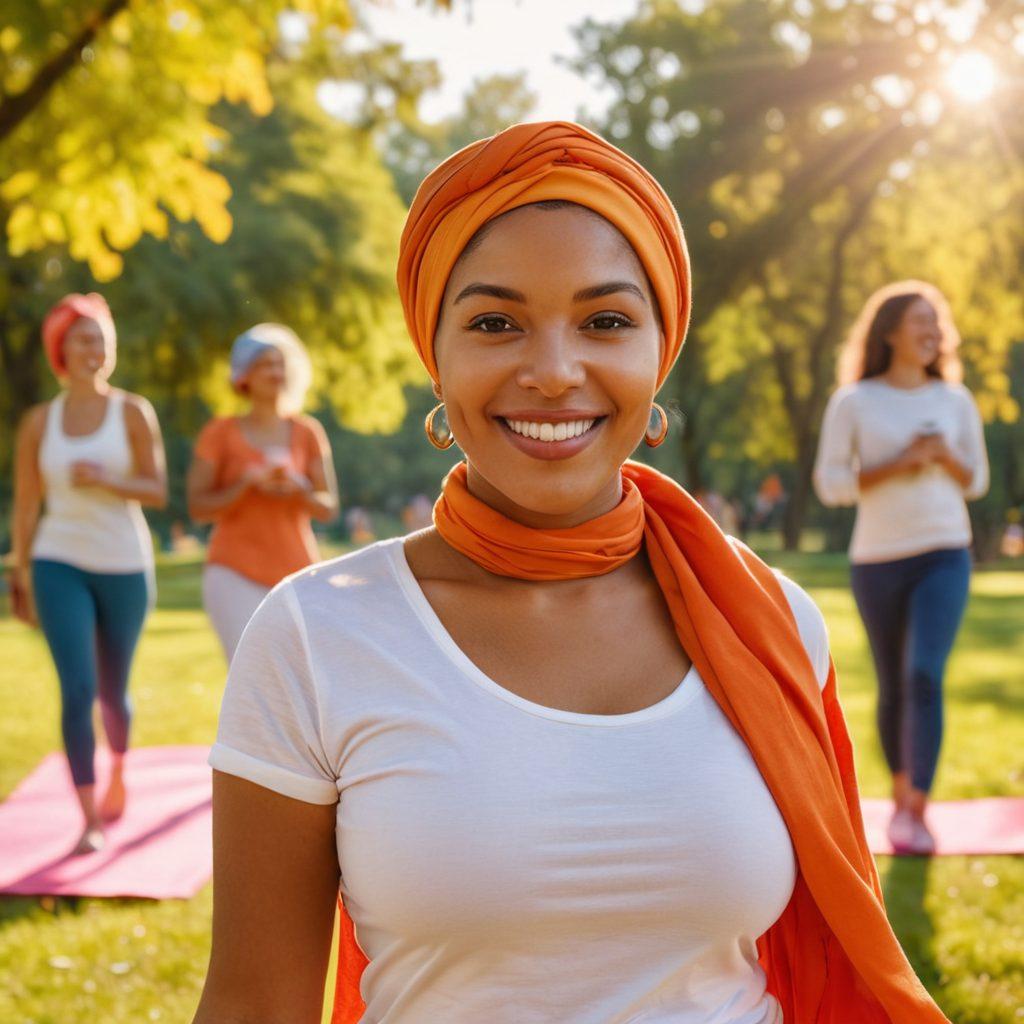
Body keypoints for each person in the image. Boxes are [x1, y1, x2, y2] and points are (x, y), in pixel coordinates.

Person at [194, 124, 949, 1023]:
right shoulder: (317, 635)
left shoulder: (773, 619)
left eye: (606, 321)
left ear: (658, 352)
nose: (554, 372)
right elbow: (253, 1005)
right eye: (494, 322)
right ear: (435, 357)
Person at [814, 281, 989, 856]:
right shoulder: (855, 401)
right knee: (891, 684)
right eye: (920, 319)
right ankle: (897, 797)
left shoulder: (955, 400)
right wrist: (900, 462)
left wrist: (944, 457)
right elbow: (832, 485)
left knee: (923, 675)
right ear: (889, 331)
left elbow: (978, 481)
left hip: (944, 552)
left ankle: (917, 805)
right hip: (878, 560)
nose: (932, 330)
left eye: (937, 320)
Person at [9, 293, 167, 855]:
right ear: (61, 350)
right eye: (82, 339)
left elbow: (157, 490)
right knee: (76, 689)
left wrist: (108, 479)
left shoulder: (131, 411)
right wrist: (20, 571)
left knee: (111, 691)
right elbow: (27, 505)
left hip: (123, 561)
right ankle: (87, 817)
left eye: (101, 338)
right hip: (58, 560)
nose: (93, 349)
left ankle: (120, 770)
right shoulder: (38, 423)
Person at [186, 323, 338, 662]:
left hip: (298, 570)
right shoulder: (219, 433)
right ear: (244, 376)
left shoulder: (308, 432)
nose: (276, 371)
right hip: (232, 570)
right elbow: (198, 507)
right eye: (265, 364)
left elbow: (328, 507)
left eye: (280, 363)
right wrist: (245, 485)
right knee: (248, 672)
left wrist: (299, 490)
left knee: (302, 675)